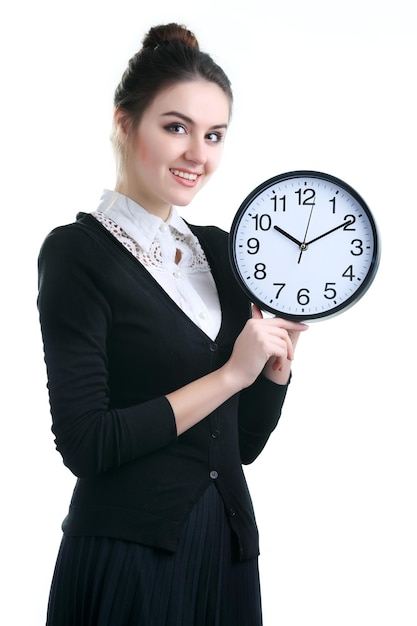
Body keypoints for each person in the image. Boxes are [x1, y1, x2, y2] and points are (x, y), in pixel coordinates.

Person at [37, 22, 308, 626]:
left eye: (214, 135)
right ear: (125, 122)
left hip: (228, 552)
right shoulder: (77, 253)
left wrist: (273, 373)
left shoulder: (224, 254)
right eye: (176, 127)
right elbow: (86, 442)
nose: (198, 155)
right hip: (128, 556)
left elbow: (244, 447)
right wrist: (232, 374)